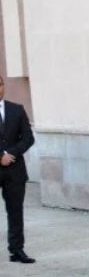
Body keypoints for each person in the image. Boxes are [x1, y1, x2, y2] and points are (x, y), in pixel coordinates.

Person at [0, 75, 35, 264]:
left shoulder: (16, 110)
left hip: (14, 170)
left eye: (0, 85)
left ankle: (17, 250)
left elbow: (28, 138)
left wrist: (11, 153)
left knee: (15, 211)